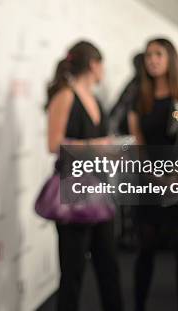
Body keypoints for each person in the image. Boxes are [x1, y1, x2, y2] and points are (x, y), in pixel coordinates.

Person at [127, 38, 178, 311]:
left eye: (158, 54)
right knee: (145, 248)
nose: (152, 59)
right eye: (148, 55)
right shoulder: (139, 95)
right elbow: (137, 141)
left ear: (170, 58)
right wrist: (153, 175)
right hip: (149, 179)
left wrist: (174, 172)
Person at [46, 40, 123, 311]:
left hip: (99, 189)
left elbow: (97, 144)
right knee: (73, 272)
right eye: (103, 64)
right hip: (73, 190)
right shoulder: (66, 96)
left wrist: (111, 149)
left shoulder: (96, 99)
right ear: (93, 64)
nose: (105, 71)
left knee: (109, 268)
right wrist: (97, 146)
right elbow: (54, 144)